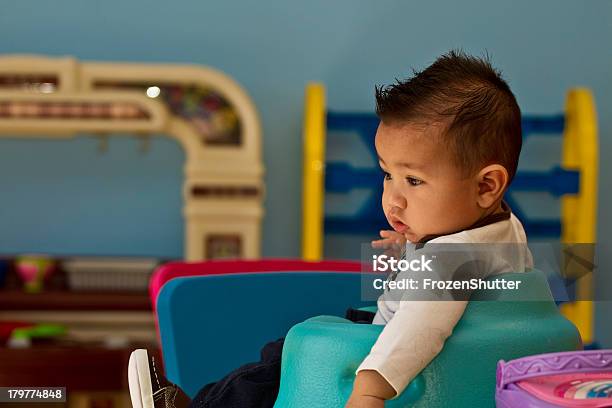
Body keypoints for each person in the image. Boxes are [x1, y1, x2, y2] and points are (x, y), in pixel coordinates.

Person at [128, 50, 533, 408]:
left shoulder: (449, 262)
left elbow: (420, 328)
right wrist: (415, 246)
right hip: (460, 358)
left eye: (413, 181)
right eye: (387, 175)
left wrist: (372, 389)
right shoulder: (501, 229)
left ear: (486, 185)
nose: (393, 198)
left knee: (282, 358)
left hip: (387, 358)